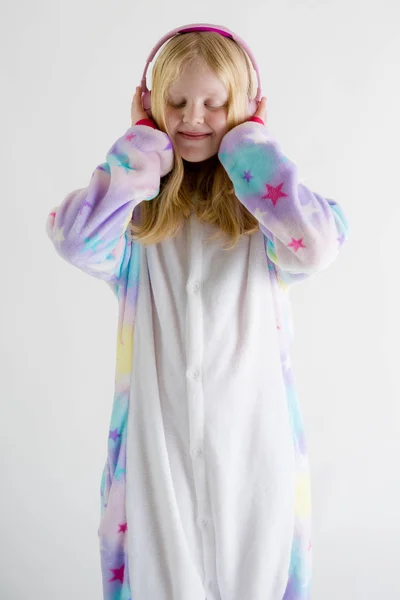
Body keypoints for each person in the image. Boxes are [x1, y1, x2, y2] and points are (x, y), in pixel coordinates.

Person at [46, 26, 349, 600]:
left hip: (254, 454)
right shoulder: (136, 225)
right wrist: (140, 146)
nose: (194, 118)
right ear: (152, 105)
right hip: (158, 453)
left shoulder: (270, 223)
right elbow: (75, 240)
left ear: (248, 109)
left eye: (216, 104)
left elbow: (320, 244)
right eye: (177, 103)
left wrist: (248, 146)